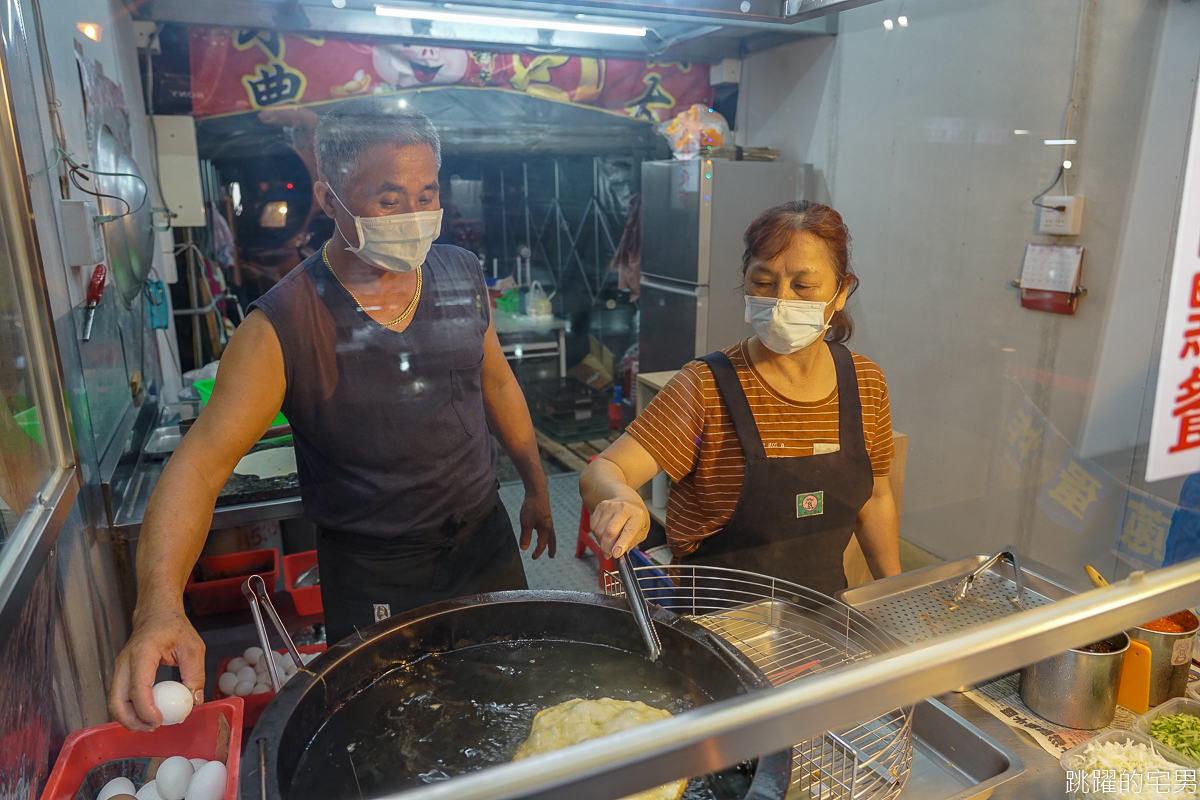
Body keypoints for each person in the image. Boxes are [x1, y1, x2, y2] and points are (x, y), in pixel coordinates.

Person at [108, 108, 556, 731]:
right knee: (395, 730)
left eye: (427, 195)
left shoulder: (459, 274)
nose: (414, 216)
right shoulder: (284, 325)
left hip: (483, 538)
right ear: (330, 196)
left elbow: (497, 384)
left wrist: (534, 486)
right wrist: (158, 607)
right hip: (377, 569)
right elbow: (200, 466)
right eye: (388, 197)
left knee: (512, 702)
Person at [580, 201, 899, 594]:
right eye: (763, 283)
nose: (781, 301)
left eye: (803, 286)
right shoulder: (706, 386)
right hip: (719, 625)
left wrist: (896, 592)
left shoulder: (865, 382)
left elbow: (877, 498)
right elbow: (603, 470)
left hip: (821, 622)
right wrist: (620, 496)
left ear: (841, 291)